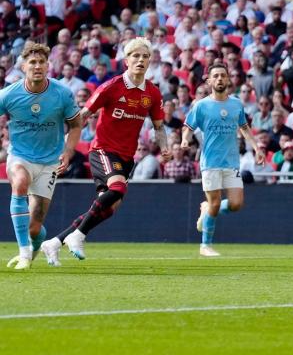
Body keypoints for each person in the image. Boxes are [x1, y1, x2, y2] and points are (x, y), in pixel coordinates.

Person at [41, 38, 170, 266]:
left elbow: (159, 127)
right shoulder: (111, 87)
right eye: (136, 56)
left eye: (145, 56)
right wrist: (64, 146)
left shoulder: (153, 93)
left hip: (126, 157)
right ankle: (78, 236)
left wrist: (165, 147)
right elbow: (82, 116)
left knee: (108, 207)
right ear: (126, 61)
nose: (140, 60)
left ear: (150, 61)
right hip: (103, 150)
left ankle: (54, 242)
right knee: (117, 188)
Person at [1, 43, 83, 270]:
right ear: (23, 66)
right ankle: (24, 254)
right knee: (19, 183)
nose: (37, 66)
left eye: (41, 62)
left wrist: (68, 151)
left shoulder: (62, 93)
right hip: (20, 156)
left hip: (49, 163)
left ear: (48, 65)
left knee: (35, 228)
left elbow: (76, 124)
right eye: (32, 62)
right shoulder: (9, 94)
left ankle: (38, 244)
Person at [180, 64, 265, 257]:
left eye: (223, 76)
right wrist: (185, 139)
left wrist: (257, 147)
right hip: (210, 162)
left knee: (236, 204)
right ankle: (205, 246)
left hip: (232, 162)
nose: (219, 79)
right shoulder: (201, 105)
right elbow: (188, 126)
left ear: (228, 80)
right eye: (216, 76)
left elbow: (243, 127)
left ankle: (206, 209)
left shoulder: (236, 104)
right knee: (216, 204)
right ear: (209, 81)